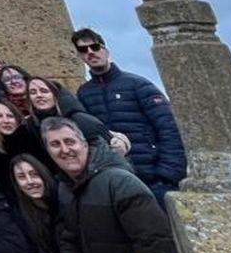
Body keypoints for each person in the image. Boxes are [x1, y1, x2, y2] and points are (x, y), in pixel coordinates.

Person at [44, 116, 182, 253]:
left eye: (70, 141)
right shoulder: (65, 188)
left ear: (85, 145)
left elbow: (155, 243)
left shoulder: (120, 182)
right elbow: (72, 238)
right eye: (55, 145)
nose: (65, 149)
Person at [72, 28, 187, 204]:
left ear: (105, 50)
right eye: (83, 50)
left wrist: (167, 175)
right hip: (119, 179)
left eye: (94, 47)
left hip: (154, 178)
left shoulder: (139, 85)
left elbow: (169, 128)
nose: (90, 53)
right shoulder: (84, 94)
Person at [10, 153, 63, 253]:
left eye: (34, 174)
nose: (30, 181)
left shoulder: (63, 199)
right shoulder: (19, 215)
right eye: (22, 177)